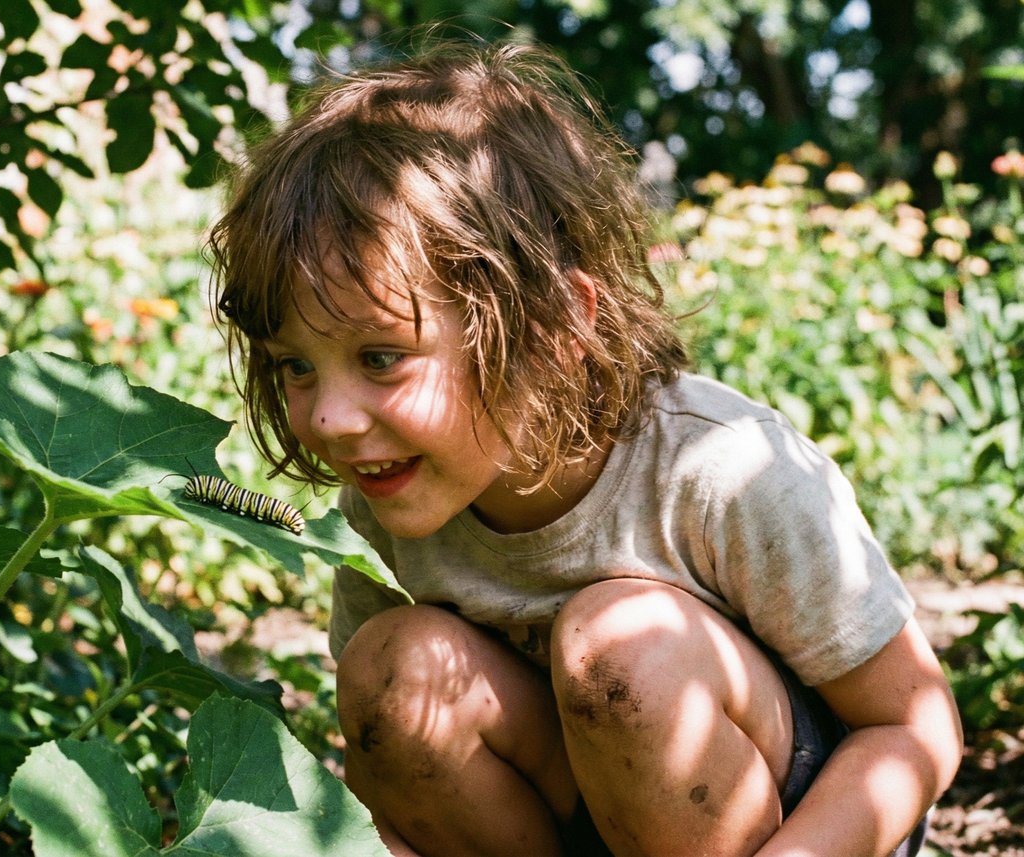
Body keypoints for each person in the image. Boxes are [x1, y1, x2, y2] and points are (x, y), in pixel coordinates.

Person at [207, 38, 962, 857]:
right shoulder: (388, 496)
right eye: (294, 366)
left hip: (791, 822)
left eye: (381, 356)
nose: (329, 421)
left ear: (554, 326)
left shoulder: (721, 470)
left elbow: (914, 726)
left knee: (621, 646)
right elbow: (394, 775)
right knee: (390, 668)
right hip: (581, 811)